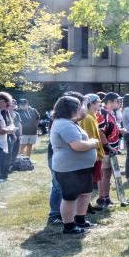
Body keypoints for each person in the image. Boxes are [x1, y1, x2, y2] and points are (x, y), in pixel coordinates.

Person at [48, 96, 98, 233]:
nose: (81, 108)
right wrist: (93, 143)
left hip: (80, 167)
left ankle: (80, 221)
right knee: (70, 197)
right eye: (79, 106)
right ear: (71, 109)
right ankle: (69, 226)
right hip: (69, 169)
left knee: (85, 193)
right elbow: (77, 146)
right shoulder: (64, 124)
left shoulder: (68, 122)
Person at [95, 92, 123, 209]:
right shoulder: (102, 113)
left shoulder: (110, 113)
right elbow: (100, 131)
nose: (119, 103)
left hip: (111, 149)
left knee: (108, 175)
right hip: (106, 150)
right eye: (117, 101)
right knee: (104, 175)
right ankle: (102, 199)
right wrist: (107, 146)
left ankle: (106, 197)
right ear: (110, 102)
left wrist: (120, 131)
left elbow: (111, 129)